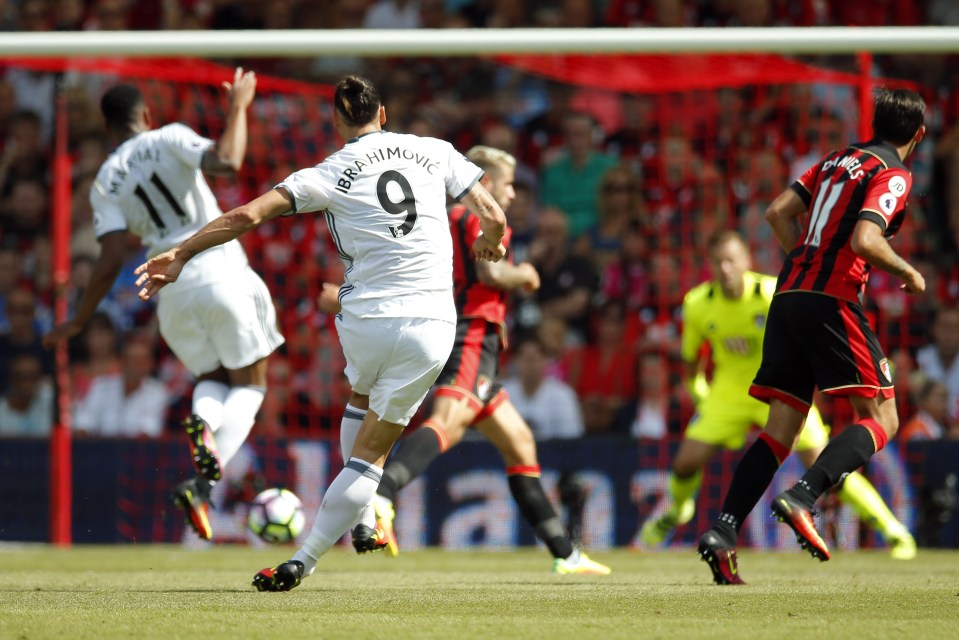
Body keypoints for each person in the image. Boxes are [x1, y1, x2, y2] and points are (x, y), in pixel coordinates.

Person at [134, 75, 508, 592]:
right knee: (371, 455)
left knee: (360, 395)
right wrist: (491, 242)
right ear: (384, 114)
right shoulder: (435, 151)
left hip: (365, 321)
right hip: (431, 323)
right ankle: (304, 560)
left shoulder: (327, 172)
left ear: (337, 122)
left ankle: (359, 521)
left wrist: (181, 253)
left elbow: (246, 215)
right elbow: (492, 212)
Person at [696, 88, 927, 585]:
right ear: (919, 136)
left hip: (786, 293)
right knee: (883, 414)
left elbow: (777, 212)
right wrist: (907, 271)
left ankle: (723, 530)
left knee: (782, 427)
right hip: (830, 298)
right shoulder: (894, 174)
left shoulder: (835, 159)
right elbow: (867, 239)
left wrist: (805, 261)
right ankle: (802, 496)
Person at [343, 145, 608, 574]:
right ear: (484, 182)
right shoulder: (475, 219)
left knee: (520, 444)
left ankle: (566, 554)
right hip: (471, 335)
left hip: (470, 336)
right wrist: (524, 274)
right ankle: (383, 492)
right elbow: (490, 273)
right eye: (507, 184)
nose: (513, 196)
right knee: (447, 423)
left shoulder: (445, 218)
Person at [43, 69, 284, 541]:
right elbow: (229, 161)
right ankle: (200, 484)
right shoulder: (170, 137)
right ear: (146, 115)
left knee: (212, 380)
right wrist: (238, 105)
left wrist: (80, 318)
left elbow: (111, 255)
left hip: (168, 292)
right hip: (219, 268)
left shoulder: (105, 182)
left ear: (108, 128)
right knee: (252, 387)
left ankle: (204, 420)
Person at [638, 230, 915, 559]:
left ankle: (893, 531)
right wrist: (703, 399)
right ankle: (676, 513)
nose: (725, 268)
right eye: (718, 261)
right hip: (728, 393)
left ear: (746, 261)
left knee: (823, 462)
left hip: (782, 387)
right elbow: (691, 366)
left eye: (731, 259)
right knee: (685, 462)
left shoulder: (772, 292)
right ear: (709, 265)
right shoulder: (697, 304)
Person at [73, 334, 169, 438]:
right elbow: (83, 422)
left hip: (136, 451)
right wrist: (82, 431)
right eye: (129, 360)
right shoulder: (101, 385)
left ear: (149, 365)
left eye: (139, 362)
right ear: (121, 361)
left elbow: (149, 431)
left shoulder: (157, 392)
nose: (133, 367)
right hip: (101, 449)